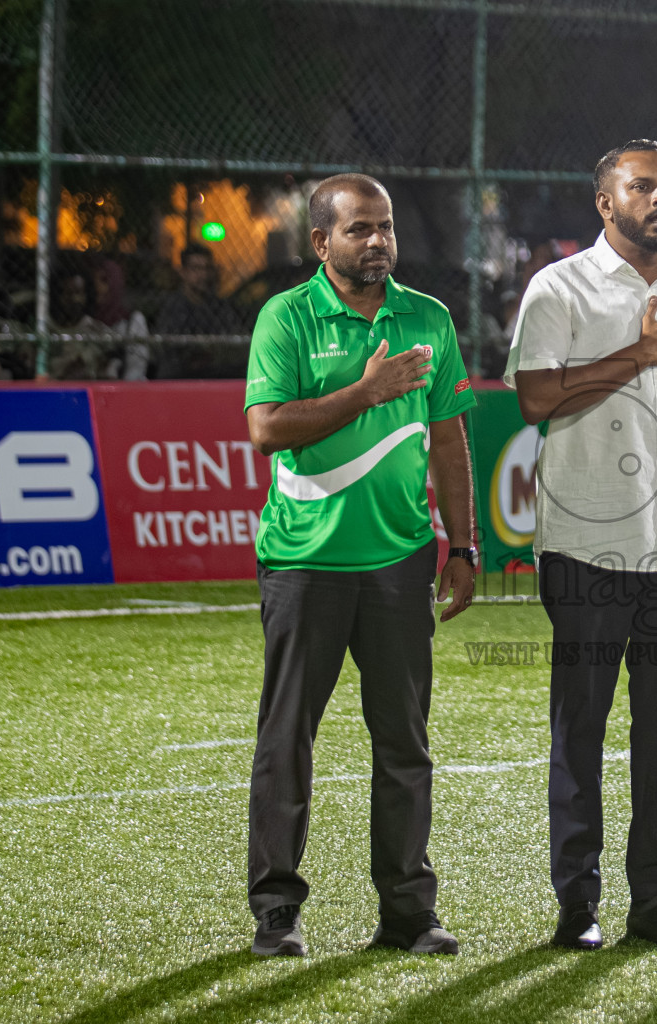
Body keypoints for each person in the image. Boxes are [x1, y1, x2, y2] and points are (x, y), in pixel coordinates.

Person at [505, 139, 657, 951]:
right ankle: (577, 907)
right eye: (642, 186)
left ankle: (656, 905)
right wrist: (638, 354)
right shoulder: (559, 286)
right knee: (580, 731)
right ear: (605, 202)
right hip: (586, 549)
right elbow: (536, 398)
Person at [243, 173, 476, 959]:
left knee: (404, 743)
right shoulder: (287, 316)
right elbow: (267, 429)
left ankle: (408, 912)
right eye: (358, 229)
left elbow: (450, 438)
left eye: (386, 227)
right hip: (304, 563)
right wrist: (366, 391)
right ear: (321, 242)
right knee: (287, 741)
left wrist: (463, 546)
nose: (378, 241)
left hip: (400, 564)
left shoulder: (428, 318)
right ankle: (277, 913)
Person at [156, 243, 246, 377]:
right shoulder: (173, 306)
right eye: (196, 269)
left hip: (215, 373)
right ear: (183, 272)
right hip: (181, 376)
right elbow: (171, 350)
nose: (203, 275)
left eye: (207, 268)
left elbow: (233, 339)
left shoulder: (218, 306)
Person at [43, 269, 113, 380]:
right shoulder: (46, 328)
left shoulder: (95, 328)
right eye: (68, 293)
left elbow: (112, 351)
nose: (75, 299)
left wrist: (83, 361)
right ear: (58, 295)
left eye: (79, 293)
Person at [93, 257, 152, 380]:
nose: (98, 287)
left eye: (104, 280)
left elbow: (137, 367)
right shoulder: (91, 321)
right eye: (95, 281)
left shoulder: (133, 320)